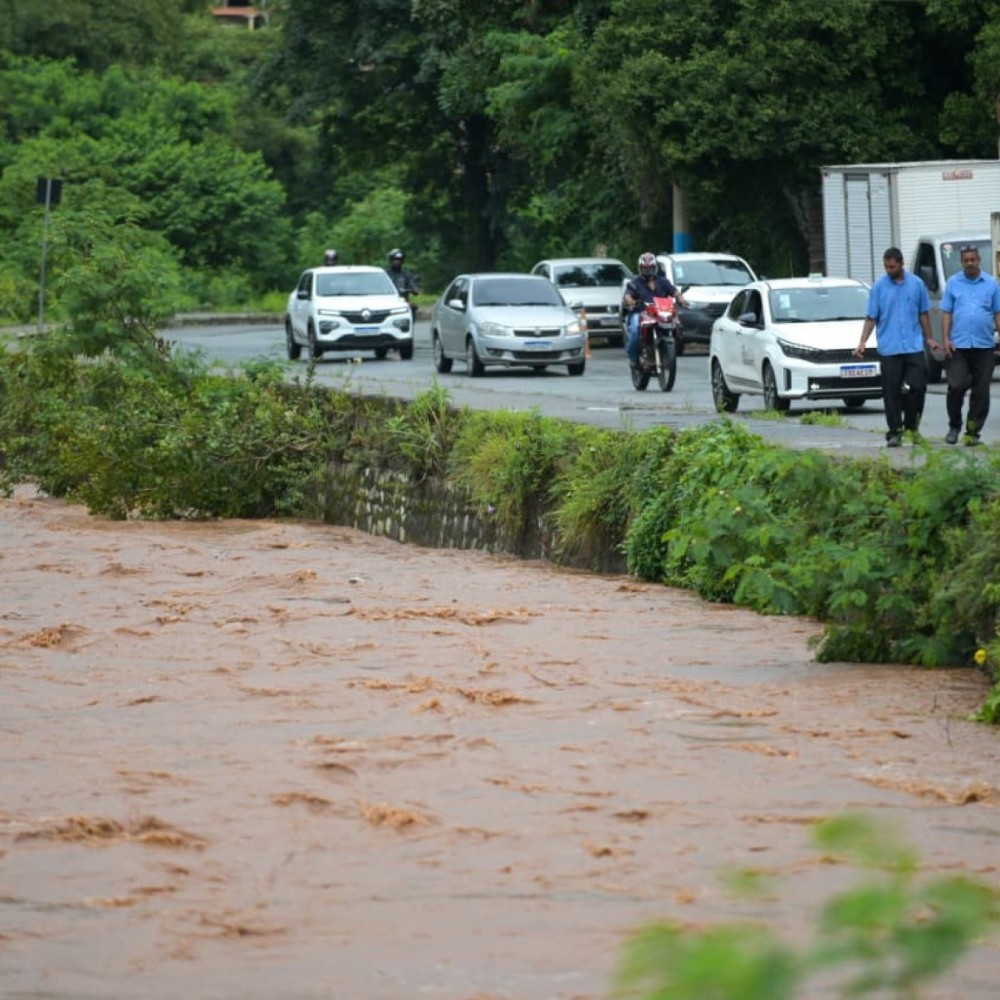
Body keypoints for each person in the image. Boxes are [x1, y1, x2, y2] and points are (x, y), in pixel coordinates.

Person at [853, 247, 937, 447]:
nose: (889, 270)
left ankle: (911, 427)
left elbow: (923, 313)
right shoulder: (879, 287)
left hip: (913, 345)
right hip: (890, 347)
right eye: (886, 267)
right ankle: (894, 432)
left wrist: (930, 338)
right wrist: (863, 341)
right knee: (891, 392)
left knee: (918, 387)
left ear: (901, 264)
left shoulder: (916, 284)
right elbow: (871, 316)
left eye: (892, 267)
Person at [940, 244, 1000, 446]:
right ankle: (954, 425)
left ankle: (972, 433)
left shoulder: (991, 284)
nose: (970, 264)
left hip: (984, 346)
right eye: (966, 260)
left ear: (979, 260)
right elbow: (947, 312)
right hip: (959, 346)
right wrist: (946, 338)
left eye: (973, 260)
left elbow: (997, 314)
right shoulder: (953, 283)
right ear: (961, 262)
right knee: (956, 386)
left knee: (981, 393)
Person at [622, 252, 688, 368]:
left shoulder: (663, 281)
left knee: (677, 325)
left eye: (650, 268)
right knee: (634, 331)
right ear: (640, 268)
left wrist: (681, 299)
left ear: (655, 268)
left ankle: (667, 350)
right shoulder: (634, 283)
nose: (647, 271)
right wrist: (631, 301)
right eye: (645, 268)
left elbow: (675, 292)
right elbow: (628, 296)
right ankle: (634, 358)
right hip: (641, 312)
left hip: (661, 312)